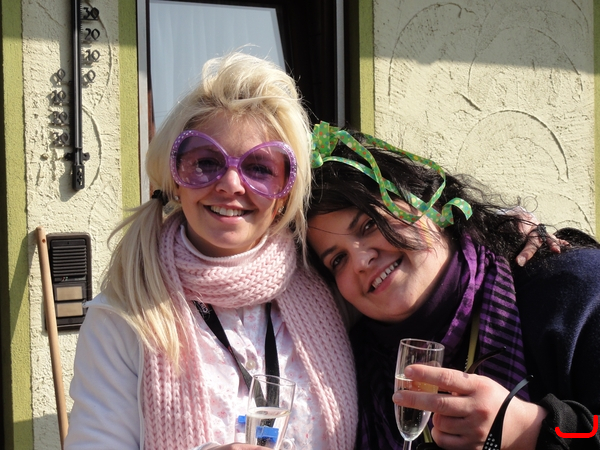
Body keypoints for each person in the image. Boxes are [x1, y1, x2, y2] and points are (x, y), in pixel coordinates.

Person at [64, 55, 357, 450]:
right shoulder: (123, 316)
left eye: (259, 168)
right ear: (175, 179)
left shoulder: (330, 285)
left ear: (284, 194)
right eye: (206, 162)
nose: (231, 184)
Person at [306, 122, 600, 450]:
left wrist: (531, 430)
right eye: (337, 259)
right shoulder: (353, 376)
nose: (361, 261)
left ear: (429, 203)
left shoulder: (572, 293)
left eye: (369, 224)